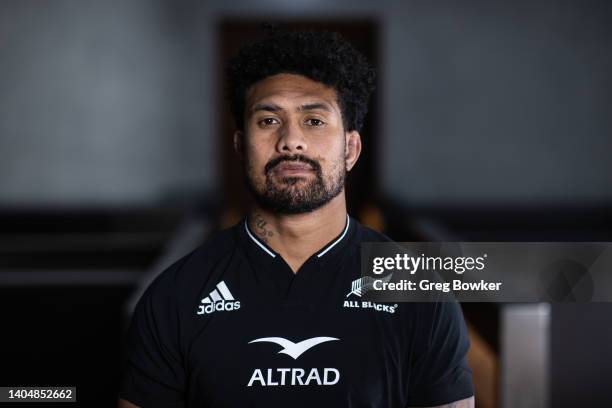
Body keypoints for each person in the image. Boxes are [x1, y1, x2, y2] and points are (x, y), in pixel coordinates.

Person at [118, 29, 474, 408]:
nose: (291, 141)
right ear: (241, 146)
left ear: (351, 149)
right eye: (268, 121)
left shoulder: (418, 292)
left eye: (314, 121)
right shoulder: (176, 295)